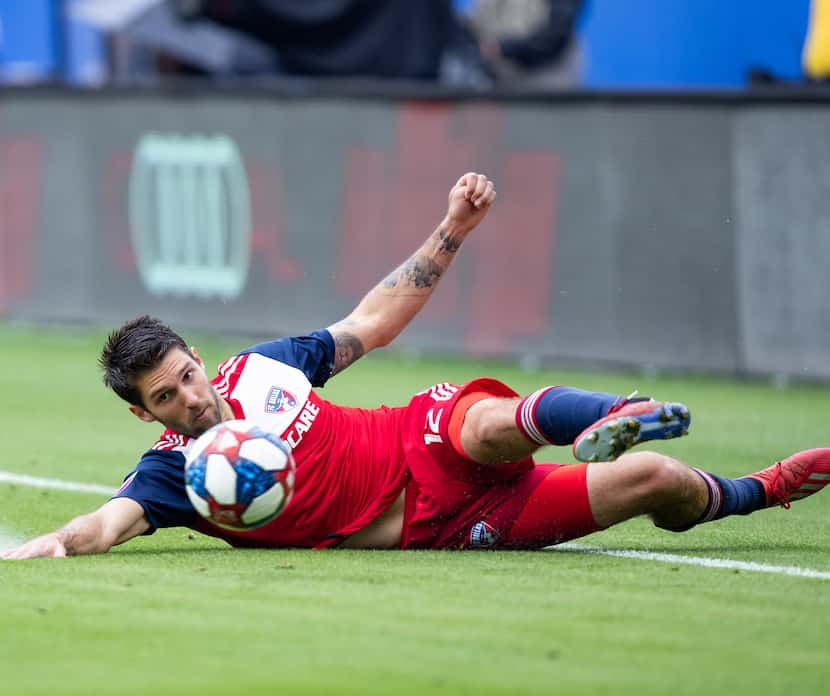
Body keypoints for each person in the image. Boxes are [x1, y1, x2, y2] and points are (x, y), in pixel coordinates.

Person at [2, 173, 828, 559]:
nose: (191, 395)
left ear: (198, 358)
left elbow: (372, 321)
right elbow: (100, 528)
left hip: (421, 441)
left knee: (485, 422)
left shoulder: (263, 369)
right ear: (145, 414)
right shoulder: (171, 477)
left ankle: (616, 408)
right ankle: (766, 487)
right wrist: (31, 552)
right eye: (167, 397)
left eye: (187, 372)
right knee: (658, 482)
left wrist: (452, 230)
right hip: (440, 527)